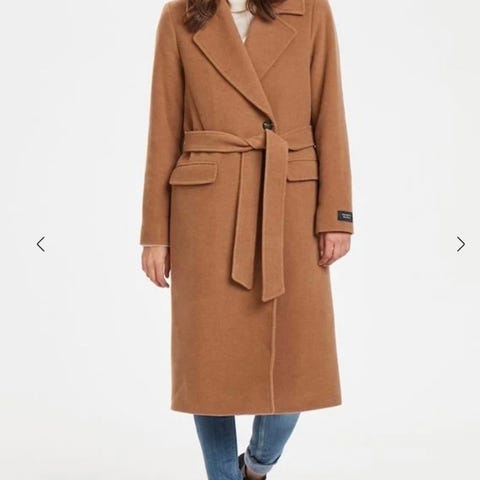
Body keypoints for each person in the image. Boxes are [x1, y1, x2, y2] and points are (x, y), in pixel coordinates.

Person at [140, 0, 354, 478]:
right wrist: (155, 232)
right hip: (206, 209)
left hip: (290, 201)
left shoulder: (309, 9)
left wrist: (337, 214)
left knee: (298, 359)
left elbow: (330, 111)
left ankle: (256, 465)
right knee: (209, 364)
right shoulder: (179, 15)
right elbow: (163, 126)